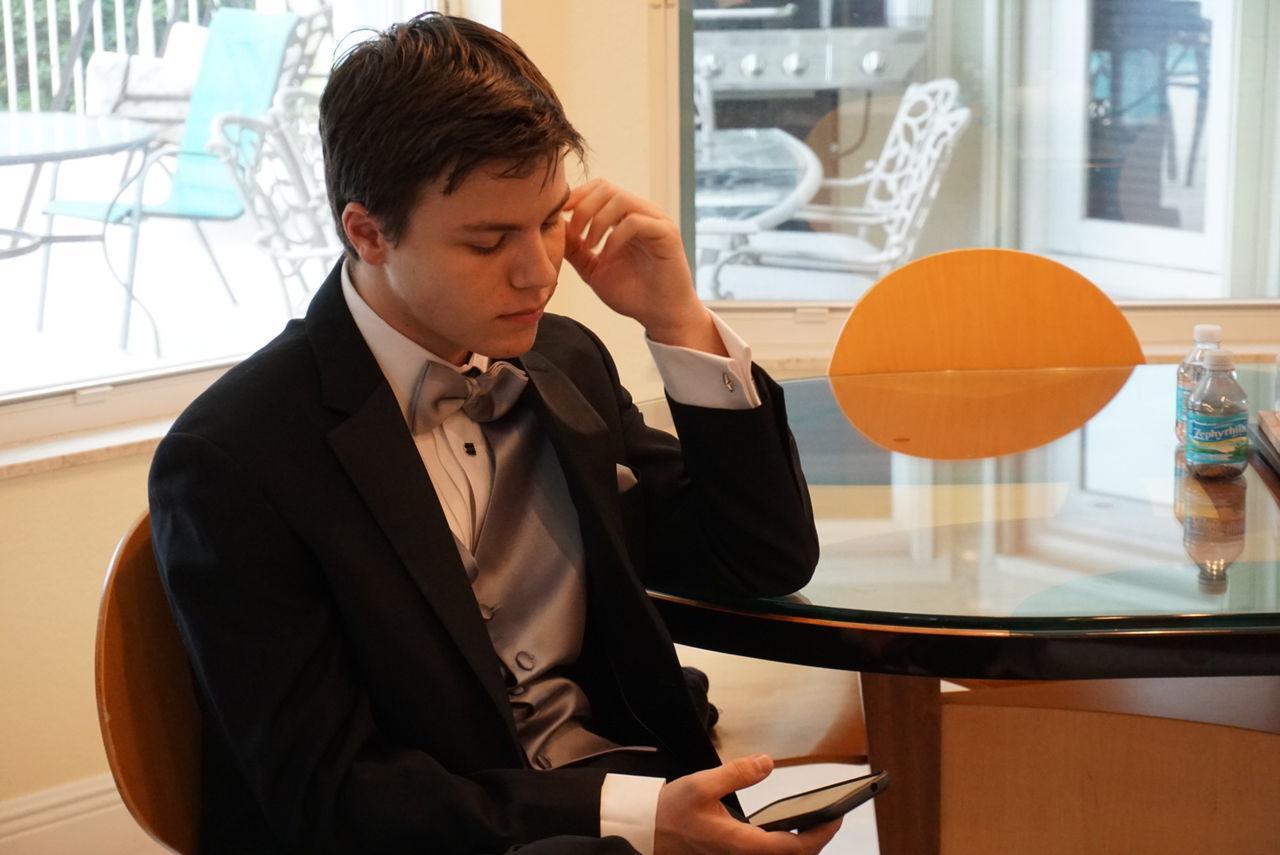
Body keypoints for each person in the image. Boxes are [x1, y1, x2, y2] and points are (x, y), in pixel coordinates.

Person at [149, 12, 836, 855]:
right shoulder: (235, 458)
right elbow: (330, 796)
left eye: (549, 220)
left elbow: (762, 559)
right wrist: (628, 820)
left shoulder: (563, 359)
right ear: (366, 232)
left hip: (628, 787)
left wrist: (678, 320)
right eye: (488, 240)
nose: (540, 271)